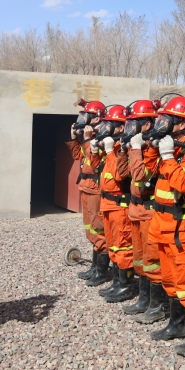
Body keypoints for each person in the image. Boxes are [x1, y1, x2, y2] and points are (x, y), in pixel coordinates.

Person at [145, 96, 185, 345]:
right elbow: (149, 168)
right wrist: (154, 147)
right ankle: (176, 325)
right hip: (163, 224)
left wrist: (169, 156)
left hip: (184, 228)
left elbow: (183, 184)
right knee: (170, 279)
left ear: (182, 124)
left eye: (166, 120)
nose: (161, 124)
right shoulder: (170, 145)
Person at [122, 100, 164, 318]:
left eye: (134, 123)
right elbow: (124, 173)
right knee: (139, 258)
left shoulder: (153, 149)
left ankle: (157, 307)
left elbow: (139, 176)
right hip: (137, 210)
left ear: (147, 125)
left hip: (149, 212)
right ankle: (144, 299)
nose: (130, 128)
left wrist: (136, 149)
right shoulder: (139, 146)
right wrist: (125, 150)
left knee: (152, 260)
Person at [66, 100, 110, 285]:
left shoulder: (102, 138)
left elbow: (94, 165)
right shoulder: (88, 137)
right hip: (86, 187)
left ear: (97, 119)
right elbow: (78, 156)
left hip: (96, 189)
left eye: (86, 116)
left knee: (99, 229)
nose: (82, 120)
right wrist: (75, 139)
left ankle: (102, 272)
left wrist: (86, 140)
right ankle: (94, 267)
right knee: (91, 230)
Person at [96, 105, 137, 302]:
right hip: (108, 204)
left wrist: (111, 152)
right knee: (112, 245)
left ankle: (126, 286)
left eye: (109, 125)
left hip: (120, 206)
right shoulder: (113, 148)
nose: (105, 129)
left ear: (121, 128)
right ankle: (117, 282)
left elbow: (119, 175)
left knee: (123, 246)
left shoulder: (123, 149)